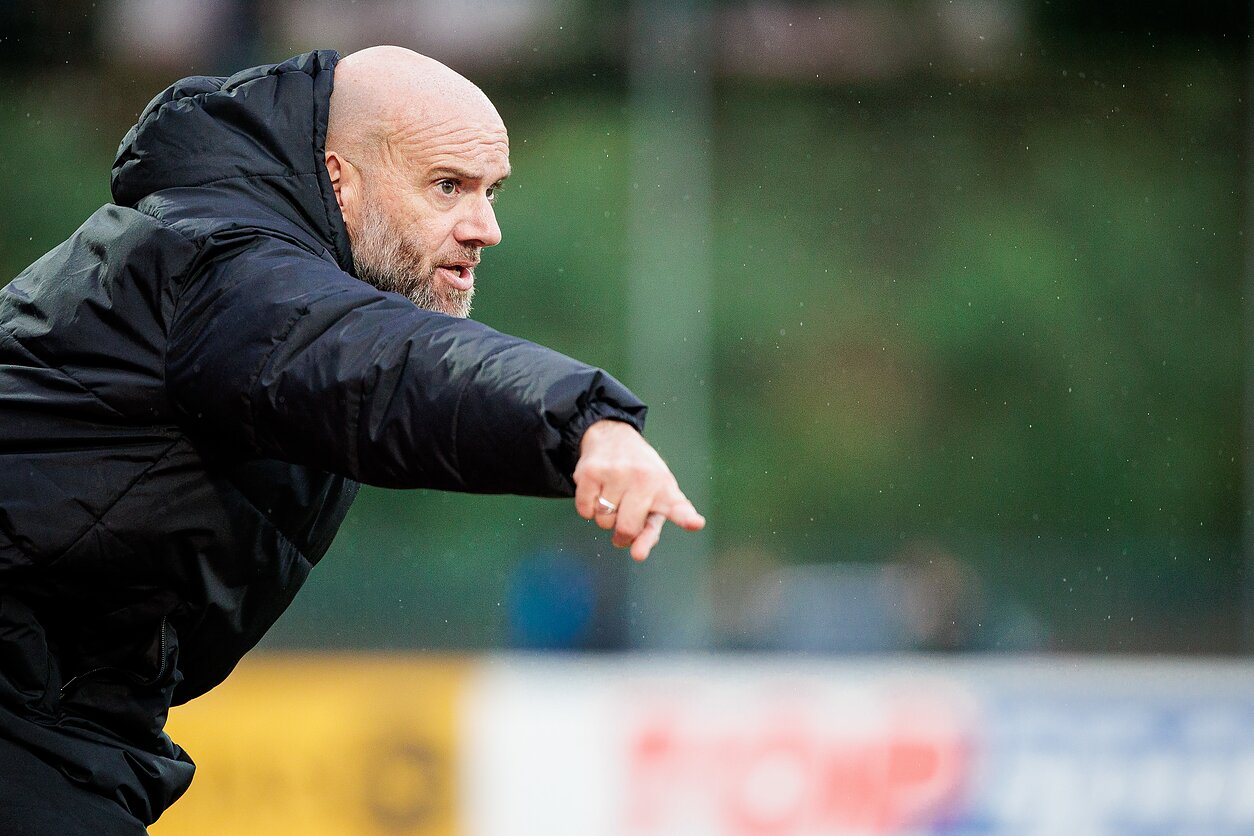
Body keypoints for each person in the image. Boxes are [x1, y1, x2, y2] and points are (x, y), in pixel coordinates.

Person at [0, 46, 704, 833]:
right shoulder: (228, 272)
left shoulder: (244, 264)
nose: (486, 229)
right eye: (448, 186)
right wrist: (583, 420)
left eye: (491, 191)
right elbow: (390, 365)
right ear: (340, 181)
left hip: (64, 721)